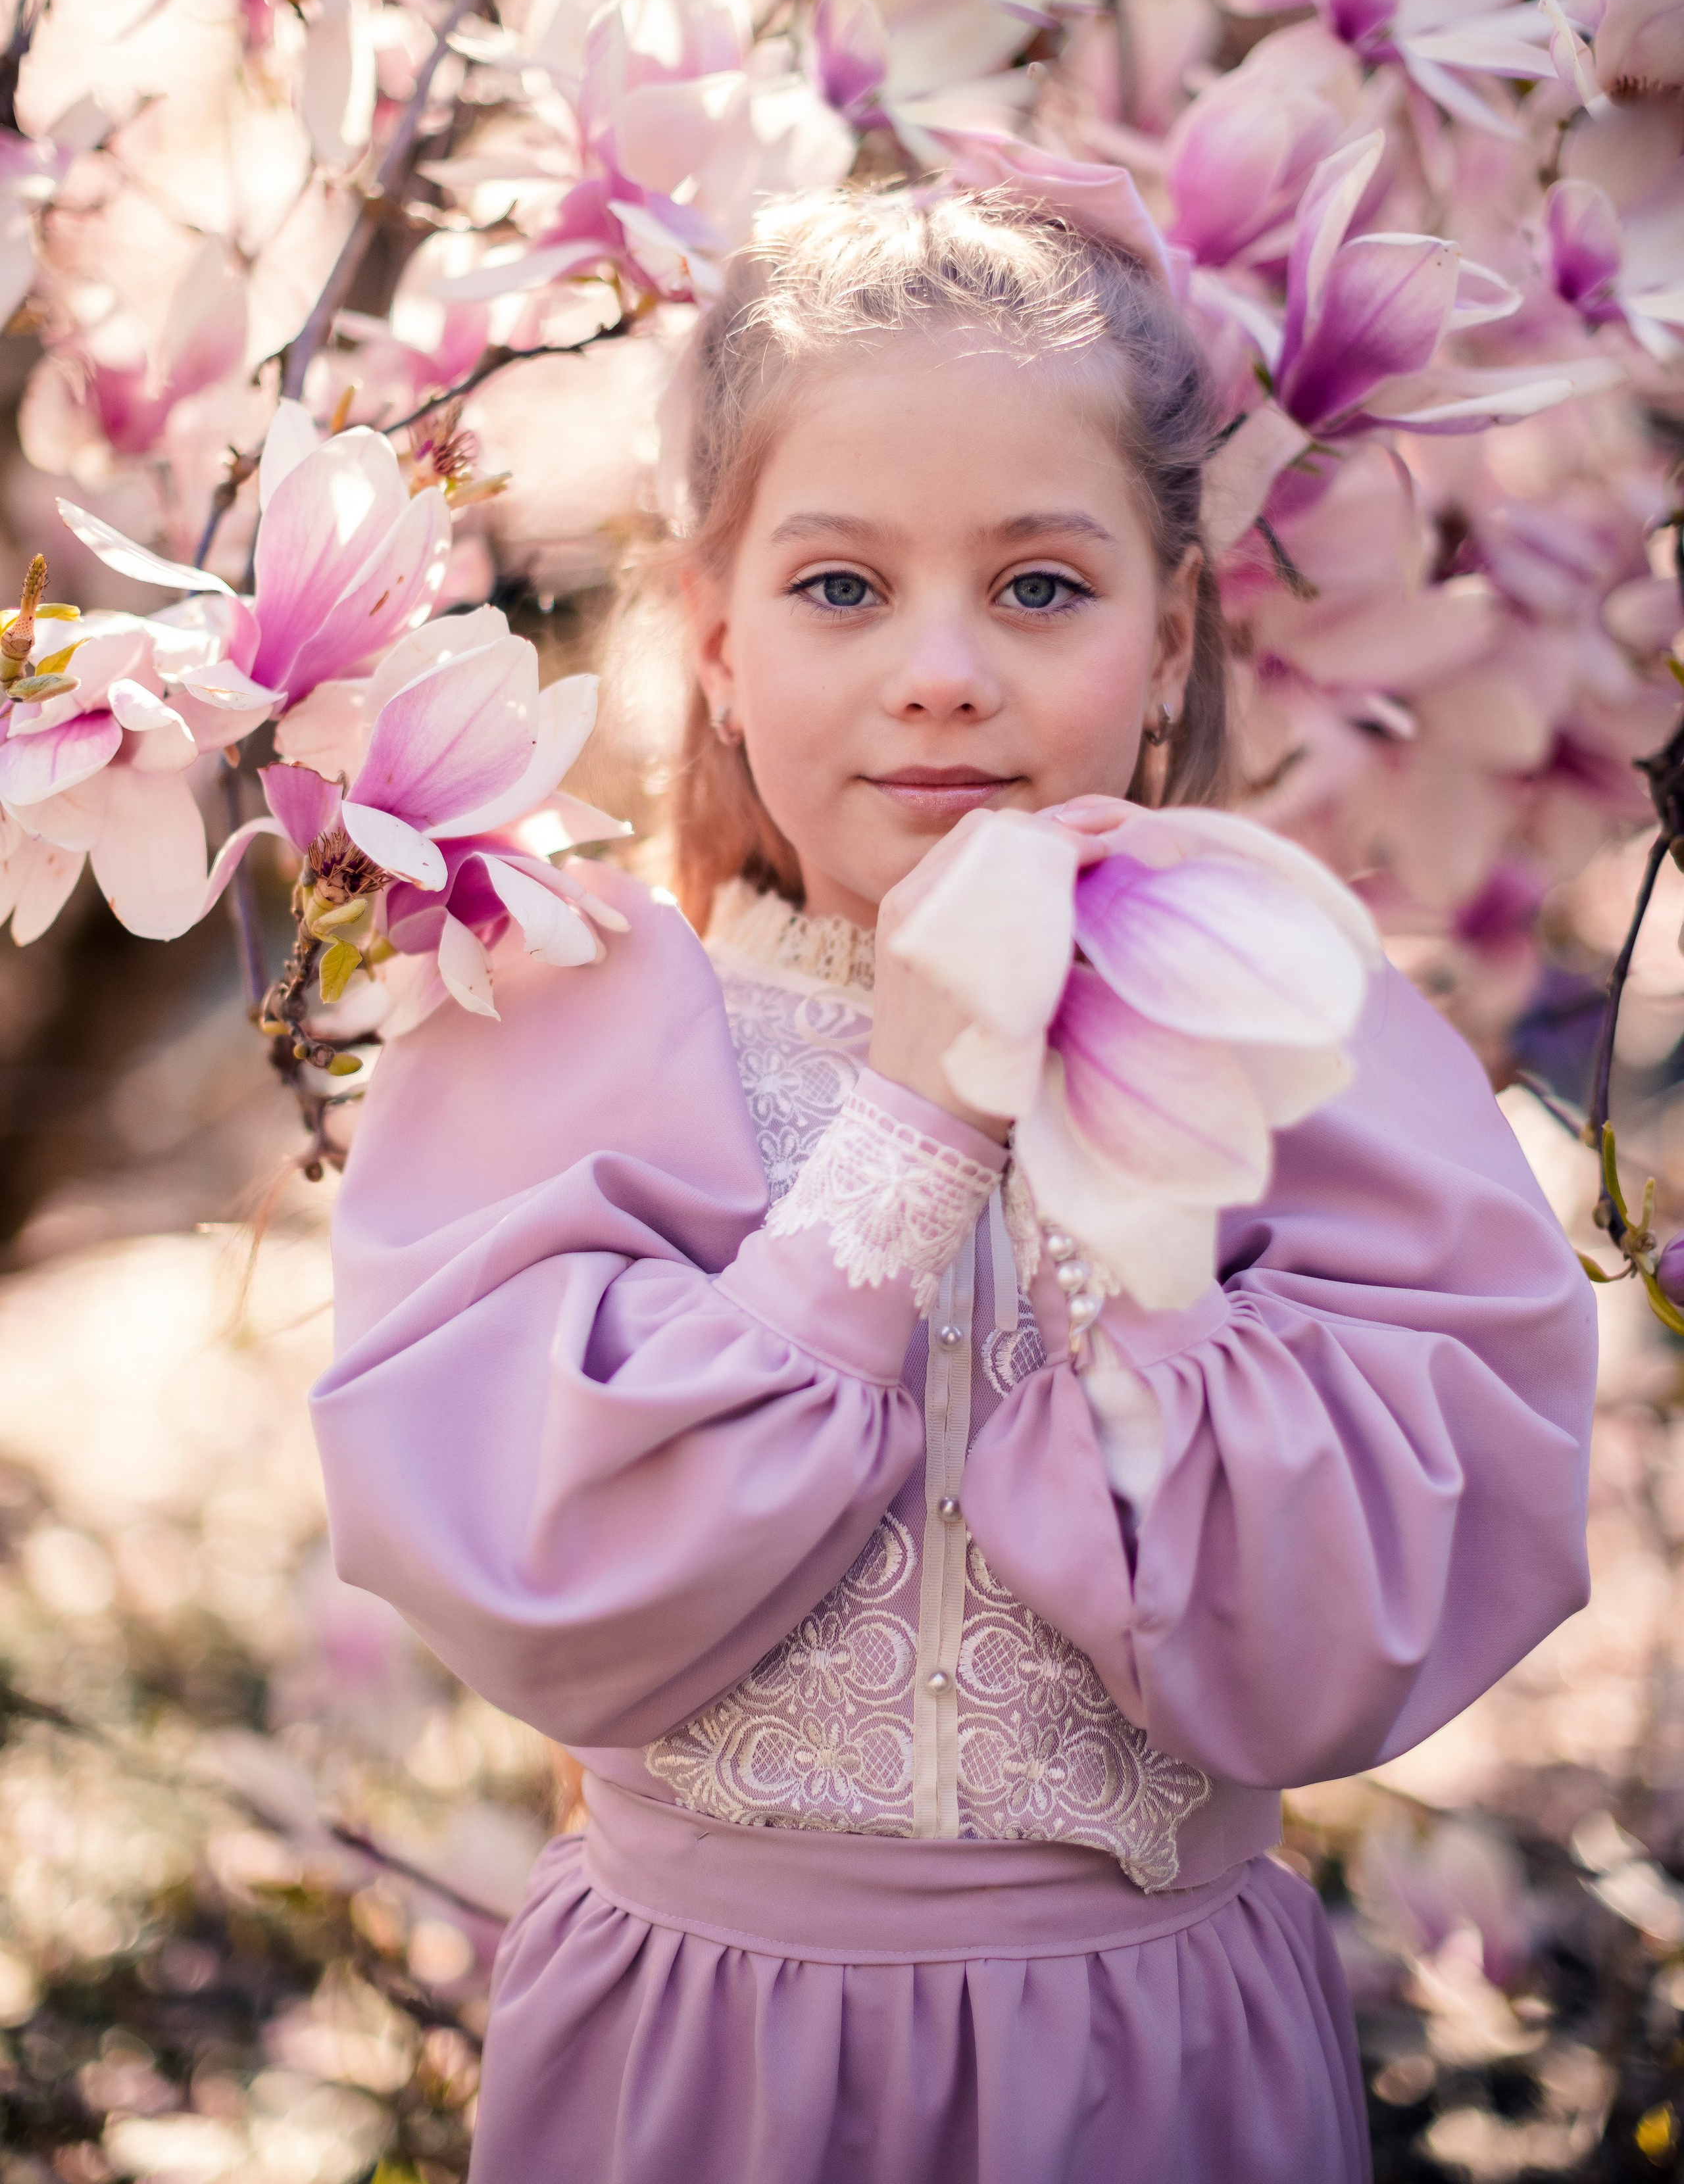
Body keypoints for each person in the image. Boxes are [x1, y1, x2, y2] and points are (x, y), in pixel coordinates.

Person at [317, 190, 1597, 2183]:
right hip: (700, 2070)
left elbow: (1335, 1636)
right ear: (715, 645)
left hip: (1148, 2064)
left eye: (1039, 588)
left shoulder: (1309, 1046)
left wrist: (1115, 1182)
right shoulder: (559, 1032)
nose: (941, 673)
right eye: (841, 589)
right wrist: (908, 1139)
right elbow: (546, 1581)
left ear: (1167, 641)